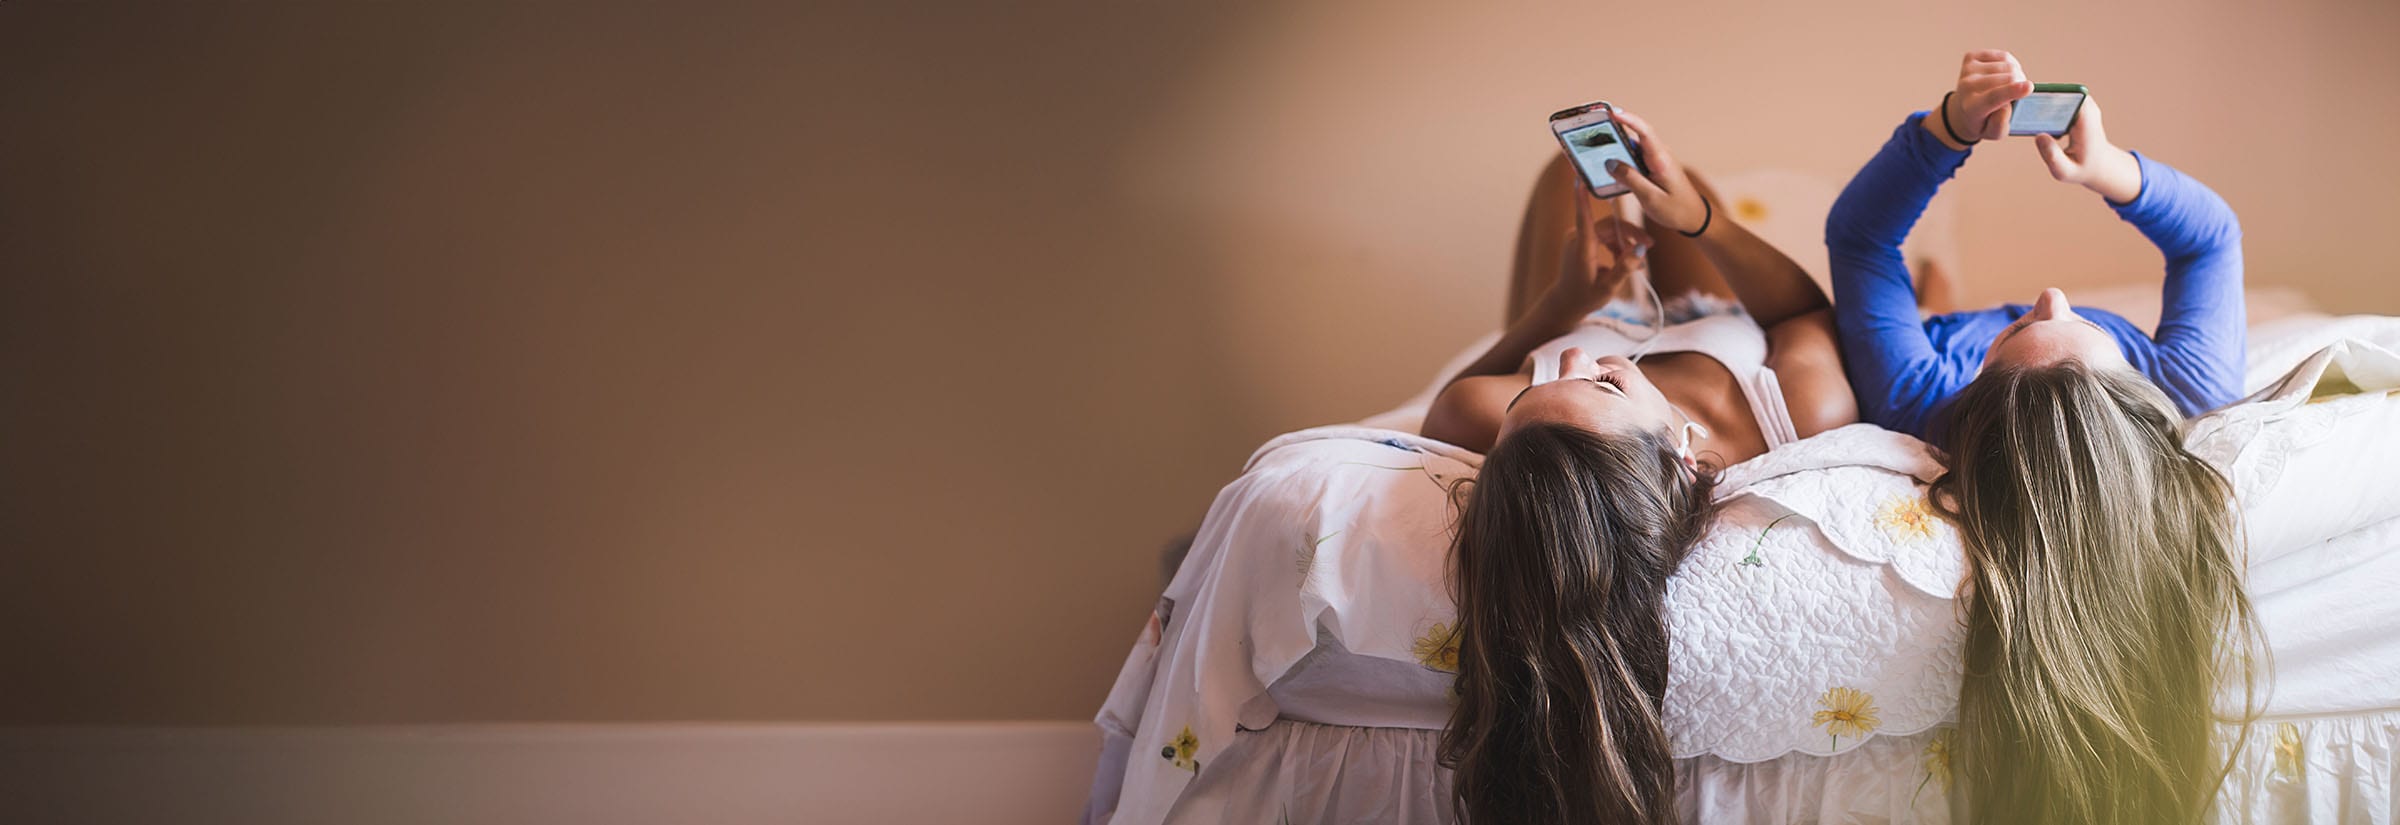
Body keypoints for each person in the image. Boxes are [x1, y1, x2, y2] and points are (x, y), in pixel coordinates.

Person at [1824, 49, 2260, 825]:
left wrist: (1946, 132)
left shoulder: (1923, 394)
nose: (2051, 293)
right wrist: (2111, 171)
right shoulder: (2185, 383)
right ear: (2134, 391)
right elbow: (2210, 240)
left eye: (2027, 323)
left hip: (1934, 333)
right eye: (2078, 322)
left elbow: (1859, 240)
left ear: (1975, 392)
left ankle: (1938, 292)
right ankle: (1938, 285)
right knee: (1921, 286)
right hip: (1956, 322)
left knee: (1904, 294)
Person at [1419, 111, 1859, 824]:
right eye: (1601, 385)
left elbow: (1452, 398)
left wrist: (1563, 305)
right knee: (1672, 186)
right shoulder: (1799, 410)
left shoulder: (1486, 408)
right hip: (1716, 317)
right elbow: (1802, 310)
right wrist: (1700, 219)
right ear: (1680, 452)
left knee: (1566, 175)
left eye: (1531, 392)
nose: (1572, 362)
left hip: (1582, 303)